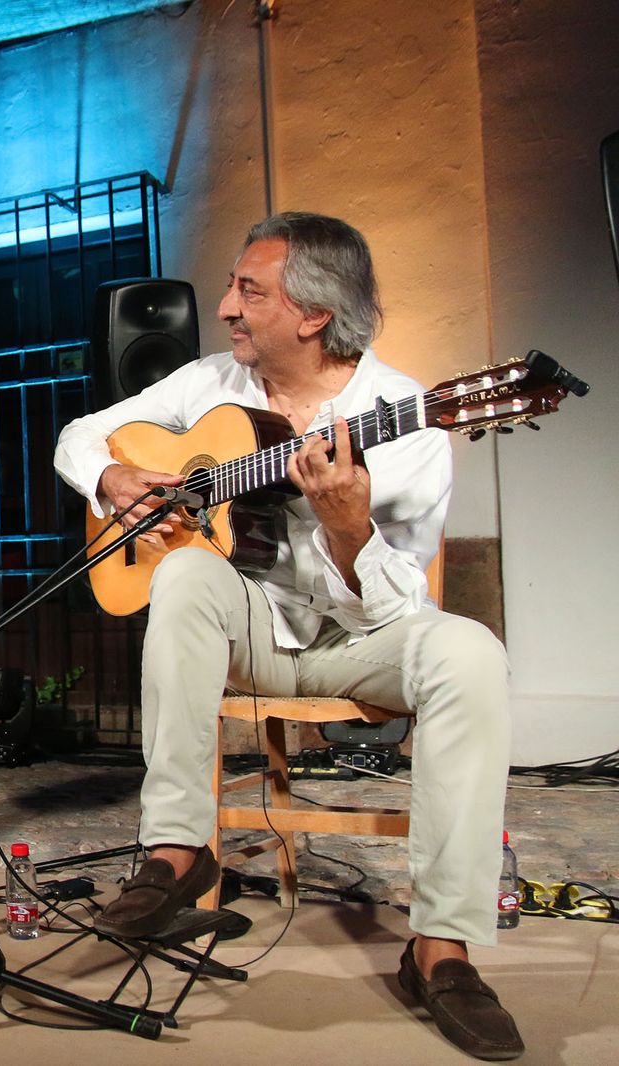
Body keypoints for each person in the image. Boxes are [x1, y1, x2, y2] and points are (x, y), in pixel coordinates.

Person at [55, 213, 522, 1060]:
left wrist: (348, 530)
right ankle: (177, 850)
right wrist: (114, 476)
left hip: (358, 638)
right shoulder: (205, 385)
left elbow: (392, 609)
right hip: (246, 632)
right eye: (233, 287)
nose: (226, 307)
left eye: (249, 291)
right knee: (190, 572)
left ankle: (442, 948)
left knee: (471, 651)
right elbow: (77, 437)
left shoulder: (406, 419)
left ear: (312, 314)